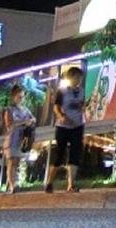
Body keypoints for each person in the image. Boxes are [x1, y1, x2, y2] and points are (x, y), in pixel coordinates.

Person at [44, 65, 85, 193]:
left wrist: (83, 110)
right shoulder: (62, 91)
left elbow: (82, 104)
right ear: (71, 77)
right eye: (77, 77)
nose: (79, 80)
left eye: (80, 78)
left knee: (75, 154)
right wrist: (61, 116)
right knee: (60, 154)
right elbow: (56, 107)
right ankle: (49, 182)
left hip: (77, 125)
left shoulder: (81, 91)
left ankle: (71, 185)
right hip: (63, 126)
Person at [3, 84, 36, 194]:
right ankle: (12, 185)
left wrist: (30, 122)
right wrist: (23, 122)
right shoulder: (9, 109)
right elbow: (9, 124)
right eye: (19, 97)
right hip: (12, 138)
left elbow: (33, 119)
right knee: (11, 162)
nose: (21, 99)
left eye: (22, 97)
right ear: (13, 96)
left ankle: (13, 183)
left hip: (21, 139)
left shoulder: (25, 110)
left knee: (16, 162)